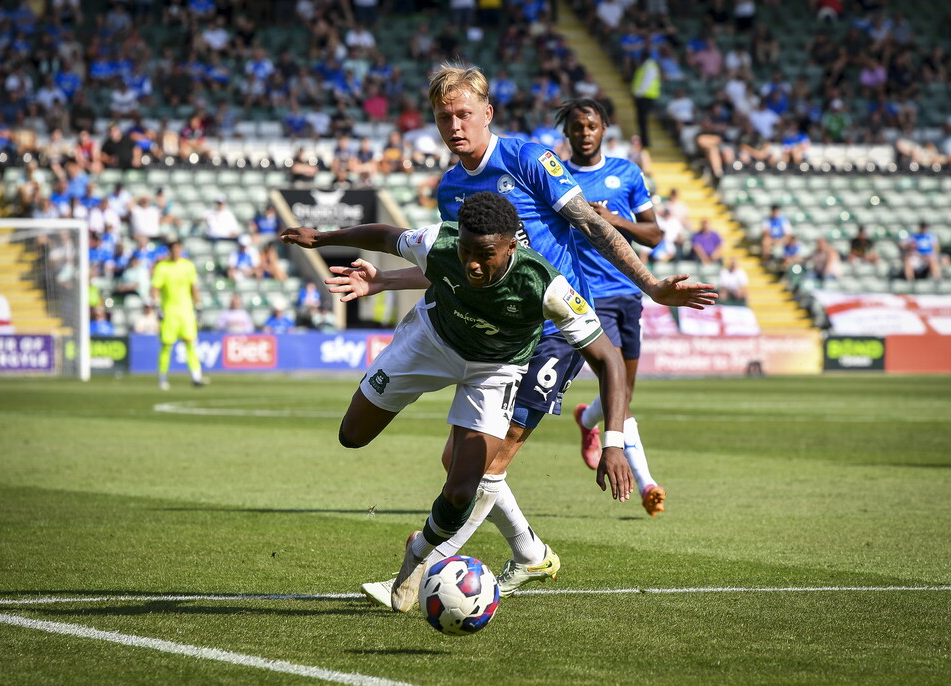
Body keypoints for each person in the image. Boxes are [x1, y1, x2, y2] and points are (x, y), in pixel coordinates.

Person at [326, 64, 715, 606]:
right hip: (497, 327)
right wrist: (383, 280)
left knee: (489, 463)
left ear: (488, 113)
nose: (455, 125)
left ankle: (421, 567)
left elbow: (592, 223)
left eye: (464, 114)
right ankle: (530, 554)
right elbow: (457, 265)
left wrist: (649, 284)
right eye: (444, 117)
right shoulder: (453, 187)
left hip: (554, 324)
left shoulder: (530, 159)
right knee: (458, 464)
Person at [281, 191, 634, 612]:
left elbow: (610, 359)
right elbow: (386, 235)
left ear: (511, 246)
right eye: (466, 249)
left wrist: (613, 442)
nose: (471, 263)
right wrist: (322, 239)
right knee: (351, 436)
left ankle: (420, 554)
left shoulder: (546, 286)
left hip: (494, 370)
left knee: (463, 486)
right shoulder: (439, 242)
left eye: (484, 254)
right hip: (429, 342)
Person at [556, 98, 667, 515]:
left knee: (624, 392)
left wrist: (613, 220)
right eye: (577, 127)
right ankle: (646, 484)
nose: (585, 133)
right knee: (621, 392)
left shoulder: (626, 173)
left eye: (592, 126)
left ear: (605, 128)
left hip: (629, 293)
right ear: (566, 132)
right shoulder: (556, 175)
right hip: (586, 296)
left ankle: (586, 420)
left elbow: (654, 235)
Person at [151, 238, 208, 390]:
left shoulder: (188, 266)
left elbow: (193, 287)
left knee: (191, 344)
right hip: (169, 313)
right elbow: (155, 288)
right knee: (166, 345)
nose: (176, 251)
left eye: (178, 249)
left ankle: (196, 376)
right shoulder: (162, 267)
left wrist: (198, 306)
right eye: (174, 249)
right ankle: (162, 378)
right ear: (170, 251)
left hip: (186, 313)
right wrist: (156, 307)